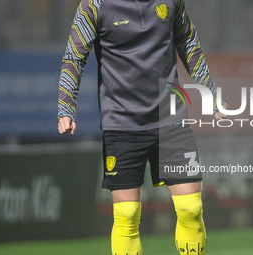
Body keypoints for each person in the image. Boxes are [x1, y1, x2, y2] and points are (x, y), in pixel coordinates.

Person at [57, 0, 226, 254]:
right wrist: (66, 107)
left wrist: (210, 93)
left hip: (171, 120)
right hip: (122, 124)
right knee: (127, 216)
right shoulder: (94, 4)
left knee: (191, 209)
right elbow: (74, 56)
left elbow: (188, 42)